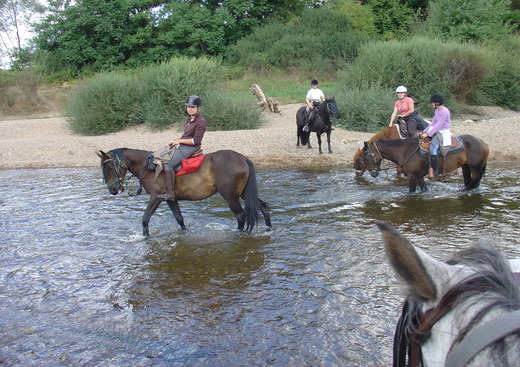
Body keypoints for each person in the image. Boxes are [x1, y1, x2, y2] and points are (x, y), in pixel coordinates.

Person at [159, 95, 207, 200]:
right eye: (188, 106)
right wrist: (173, 140)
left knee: (168, 163)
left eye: (193, 107)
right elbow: (185, 135)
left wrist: (179, 141)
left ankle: (170, 194)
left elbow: (196, 141)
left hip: (192, 148)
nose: (190, 109)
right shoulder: (189, 119)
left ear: (198, 108)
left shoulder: (201, 121)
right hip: (184, 145)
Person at [419, 93, 451, 179]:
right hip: (435, 130)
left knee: (433, 150)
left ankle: (435, 171)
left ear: (436, 103)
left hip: (441, 132)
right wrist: (424, 131)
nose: (432, 104)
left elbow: (439, 125)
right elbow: (433, 122)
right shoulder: (437, 110)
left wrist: (428, 134)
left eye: (432, 103)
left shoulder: (445, 111)